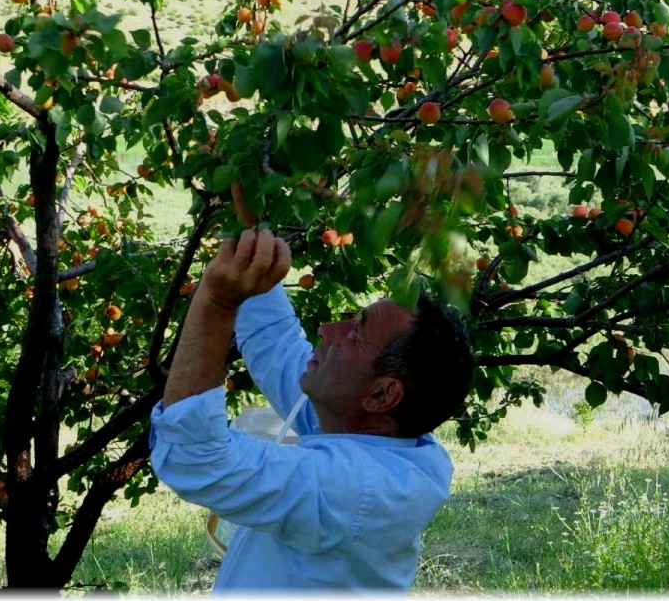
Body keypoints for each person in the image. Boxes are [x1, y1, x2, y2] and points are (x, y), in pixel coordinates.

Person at [149, 228, 475, 591]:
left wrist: (218, 303)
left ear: (382, 395)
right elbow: (278, 345)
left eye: (354, 334)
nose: (327, 329)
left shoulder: (356, 489)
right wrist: (254, 236)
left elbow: (194, 456)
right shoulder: (371, 431)